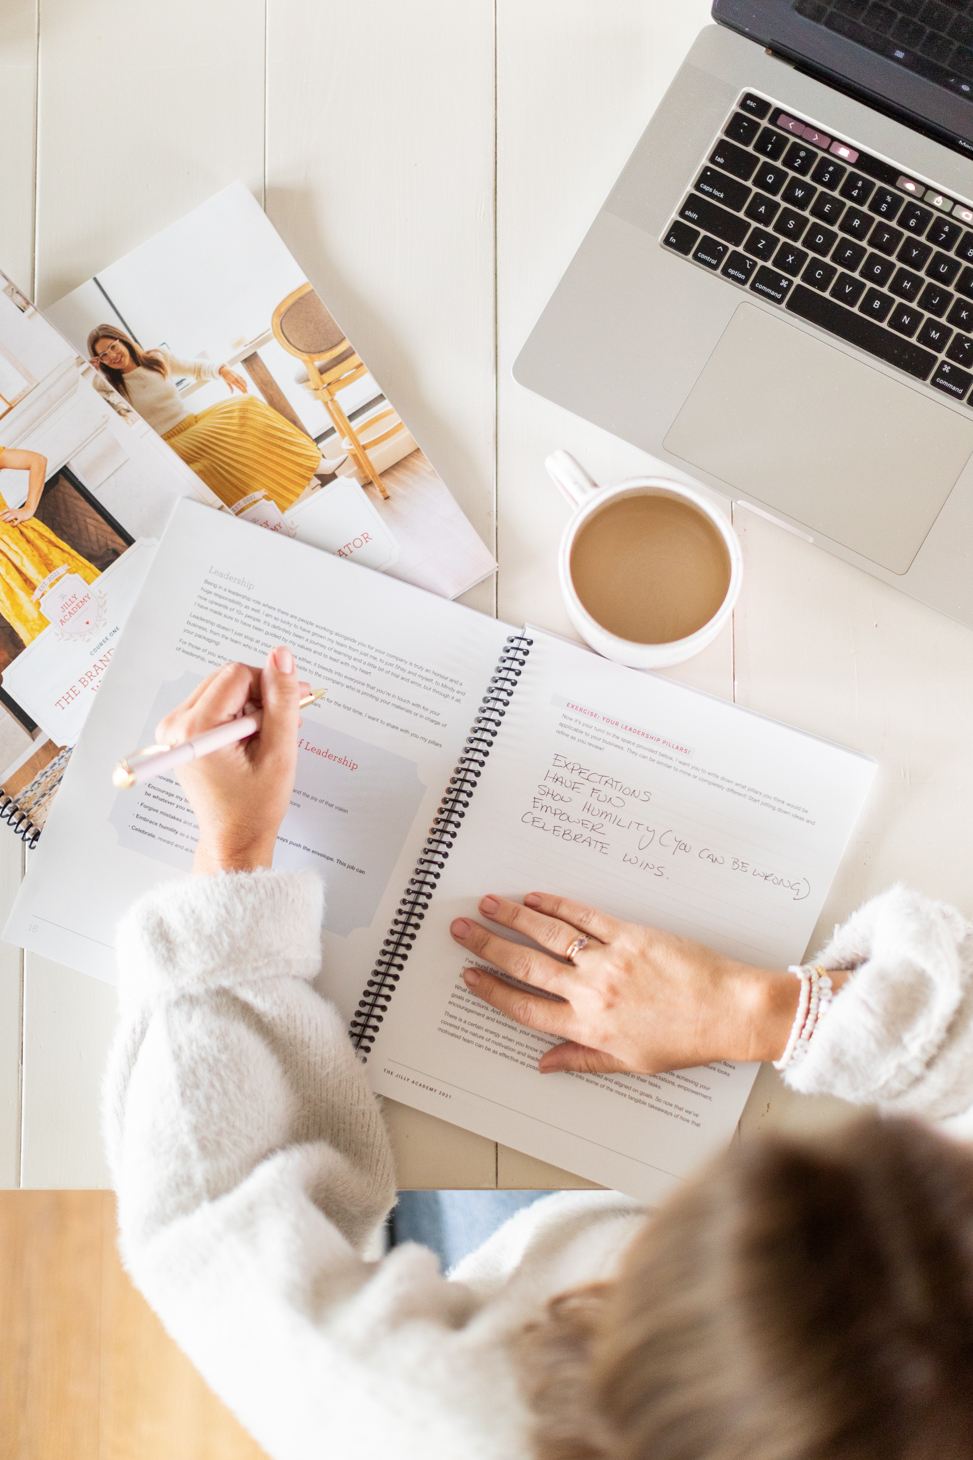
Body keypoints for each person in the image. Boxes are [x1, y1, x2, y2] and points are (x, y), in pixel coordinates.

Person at [106, 651, 973, 1460]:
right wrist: (766, 1010)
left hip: (538, 1294)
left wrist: (231, 860)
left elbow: (209, 1225)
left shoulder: (443, 1421)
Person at [87, 325, 347, 513]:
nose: (113, 355)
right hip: (170, 443)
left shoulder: (156, 359)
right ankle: (262, 513)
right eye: (104, 355)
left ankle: (313, 464)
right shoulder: (112, 388)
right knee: (216, 459)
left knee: (246, 405)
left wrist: (223, 371)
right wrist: (94, 378)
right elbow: (109, 418)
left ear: (123, 341)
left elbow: (195, 368)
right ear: (101, 361)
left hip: (193, 423)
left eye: (113, 346)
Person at [0, 446, 99, 645]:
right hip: (4, 573)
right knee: (40, 624)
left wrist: (28, 508)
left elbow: (37, 460)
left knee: (82, 598)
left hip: (23, 544)